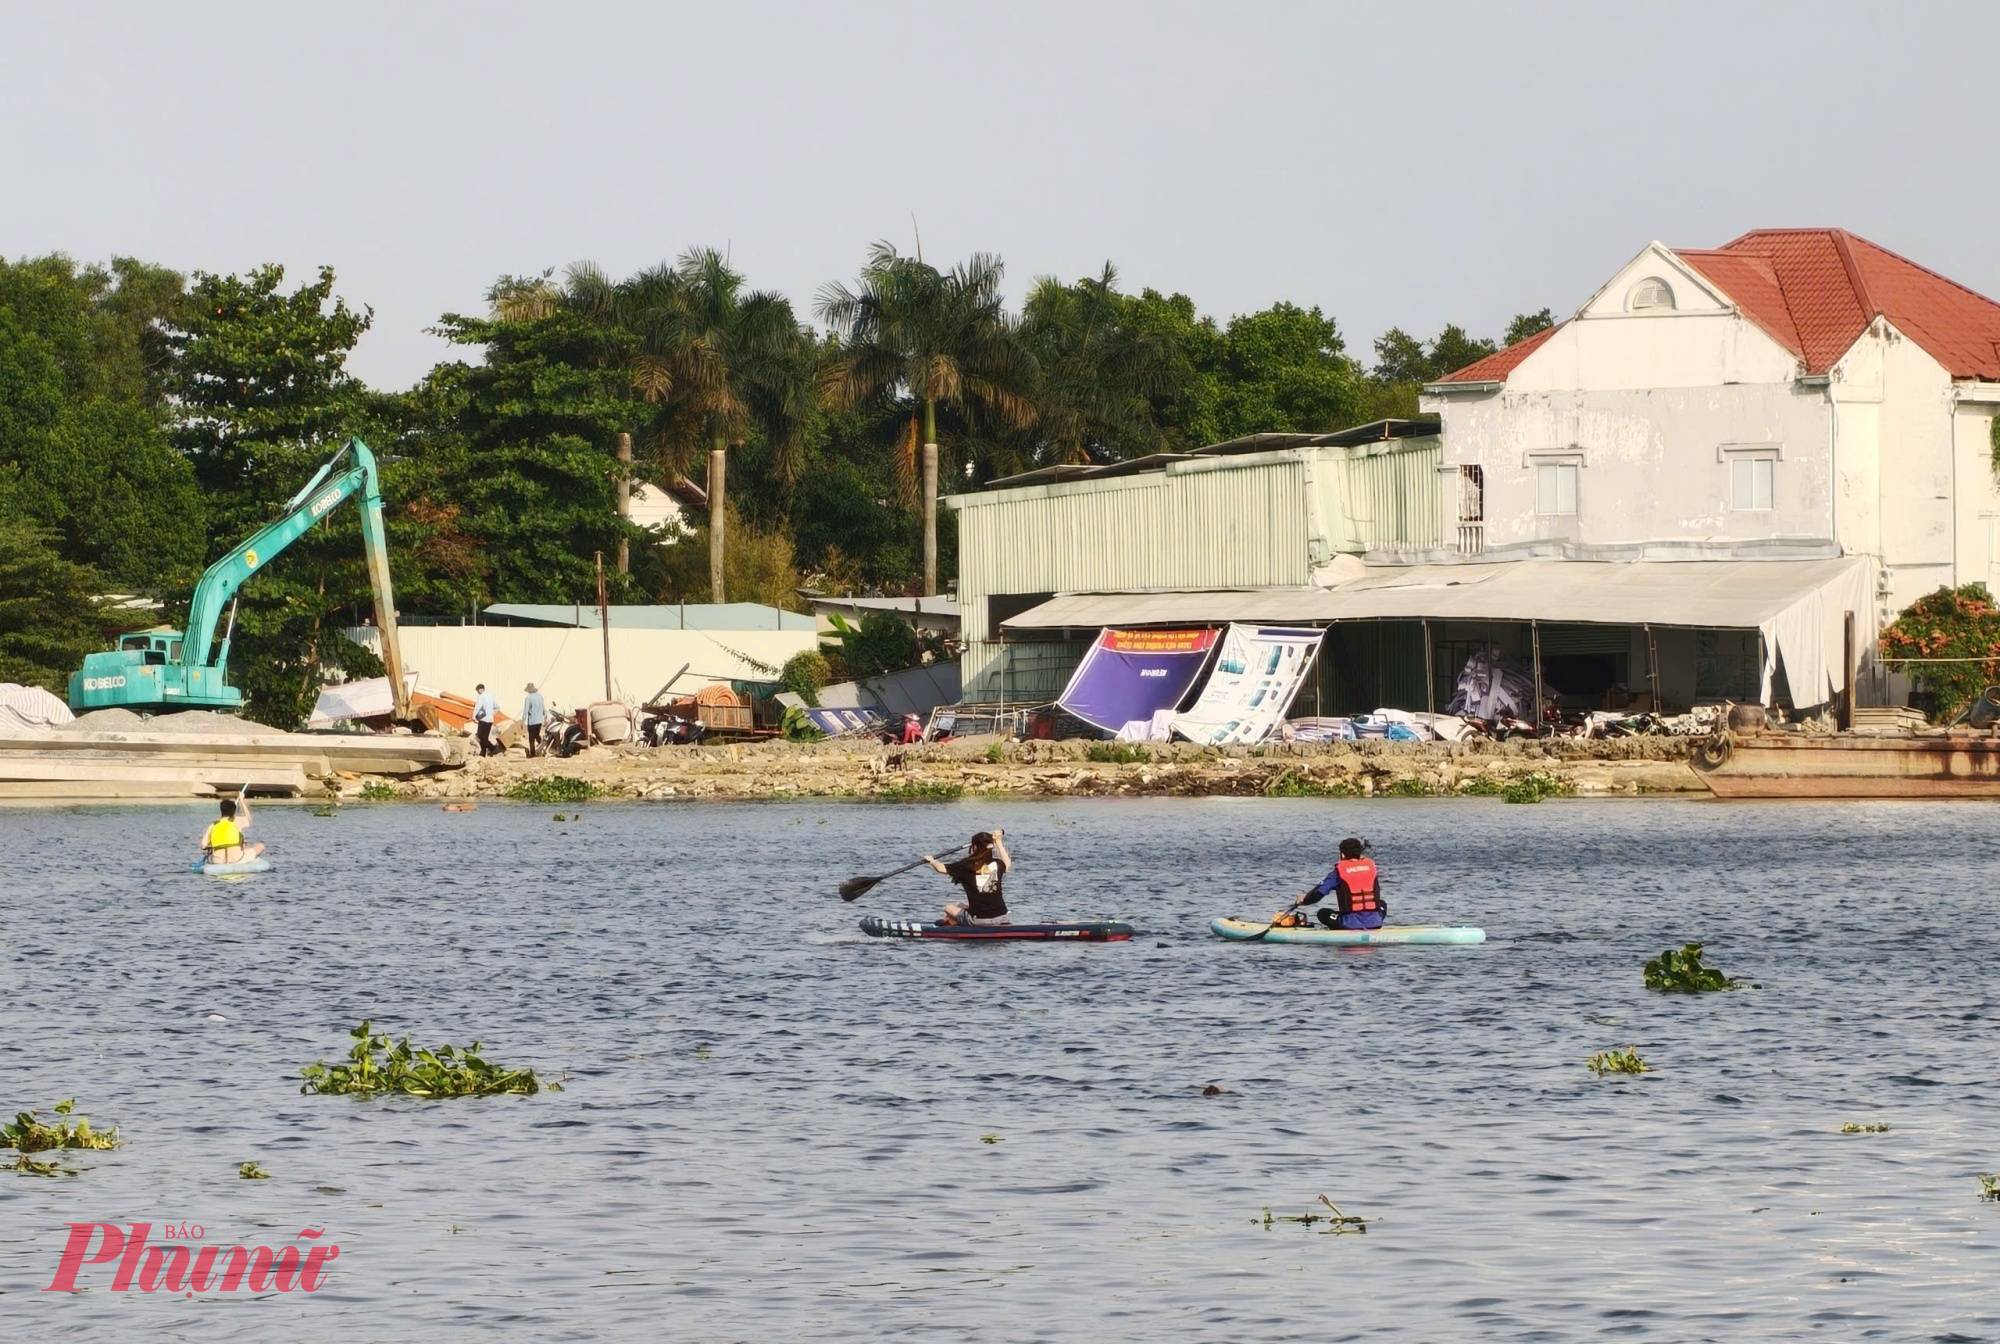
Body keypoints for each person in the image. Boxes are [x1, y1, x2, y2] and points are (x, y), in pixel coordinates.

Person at [1284, 837, 1386, 931]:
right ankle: (1371, 924)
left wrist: (1304, 901)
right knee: (1382, 904)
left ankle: (1342, 928)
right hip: (1375, 921)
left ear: (1342, 855)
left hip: (1350, 923)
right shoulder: (1371, 868)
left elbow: (1318, 895)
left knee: (1322, 913)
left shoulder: (1338, 873)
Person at [926, 829, 1012, 926]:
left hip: (978, 920)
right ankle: (955, 922)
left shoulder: (966, 865)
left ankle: (954, 924)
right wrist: (998, 842)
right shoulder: (997, 864)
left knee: (948, 908)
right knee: (960, 906)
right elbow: (1007, 863)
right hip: (1002, 917)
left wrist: (932, 861)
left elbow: (942, 868)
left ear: (974, 847)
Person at [201, 793, 264, 866]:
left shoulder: (213, 825)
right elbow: (248, 818)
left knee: (210, 856)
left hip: (218, 861)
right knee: (260, 846)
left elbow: (203, 846)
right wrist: (241, 800)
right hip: (237, 859)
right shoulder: (236, 821)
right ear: (234, 812)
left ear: (221, 811)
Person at [472, 683, 498, 756]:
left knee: (480, 736)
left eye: (477, 691)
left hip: (483, 719)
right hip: (490, 720)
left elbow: (477, 707)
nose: (477, 692)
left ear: (480, 689)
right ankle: (491, 748)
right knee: (485, 736)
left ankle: (485, 751)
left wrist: (474, 717)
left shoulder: (481, 697)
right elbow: (497, 706)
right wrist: (492, 713)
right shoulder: (491, 696)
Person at [522, 683, 547, 757]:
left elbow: (525, 711)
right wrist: (545, 718)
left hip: (532, 721)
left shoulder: (528, 698)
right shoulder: (540, 696)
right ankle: (543, 745)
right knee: (537, 735)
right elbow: (543, 709)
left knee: (531, 738)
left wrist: (523, 720)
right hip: (539, 720)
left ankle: (532, 753)